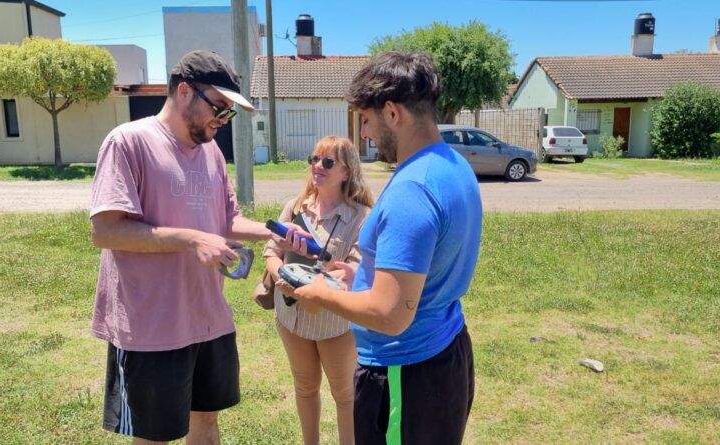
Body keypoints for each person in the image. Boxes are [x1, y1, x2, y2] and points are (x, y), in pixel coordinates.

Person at [89, 50, 304, 445]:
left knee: (206, 423)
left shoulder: (211, 152)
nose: (222, 119)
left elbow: (227, 220)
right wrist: (192, 239)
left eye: (229, 112)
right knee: (154, 436)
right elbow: (106, 231)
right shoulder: (128, 142)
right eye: (218, 106)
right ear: (185, 91)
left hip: (208, 316)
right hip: (150, 324)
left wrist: (275, 232)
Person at [292, 51, 483, 444]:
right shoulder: (452, 164)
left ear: (392, 113)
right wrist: (361, 276)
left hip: (404, 373)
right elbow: (428, 265)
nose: (365, 133)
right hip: (445, 353)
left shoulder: (412, 190)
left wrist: (320, 295)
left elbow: (390, 314)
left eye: (366, 119)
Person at [263, 135, 374, 445]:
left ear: (347, 171)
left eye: (327, 162)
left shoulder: (361, 217)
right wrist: (285, 277)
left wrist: (316, 282)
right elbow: (271, 253)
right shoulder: (295, 207)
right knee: (305, 388)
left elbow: (354, 274)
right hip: (291, 318)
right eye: (314, 159)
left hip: (334, 324)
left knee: (345, 395)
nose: (317, 166)